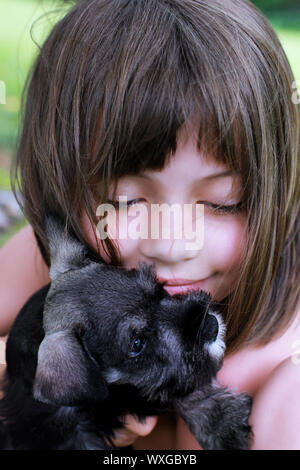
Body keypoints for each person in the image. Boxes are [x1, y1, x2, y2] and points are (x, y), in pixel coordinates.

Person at [1, 0, 300, 450]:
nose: (172, 244)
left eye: (224, 203)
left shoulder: (272, 365)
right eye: (124, 202)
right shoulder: (70, 262)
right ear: (59, 194)